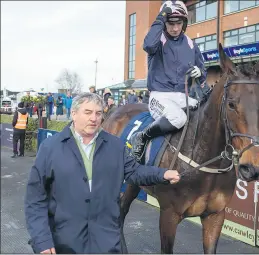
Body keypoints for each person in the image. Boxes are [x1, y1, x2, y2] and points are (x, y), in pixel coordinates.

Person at [24, 92, 180, 254]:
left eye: (98, 113)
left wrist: (162, 174)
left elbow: (134, 171)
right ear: (74, 114)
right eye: (88, 112)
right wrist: (41, 239)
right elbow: (35, 198)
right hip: (65, 242)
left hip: (107, 241)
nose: (94, 118)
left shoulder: (115, 145)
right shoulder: (50, 147)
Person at [130, 0, 207, 160]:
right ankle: (142, 137)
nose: (175, 28)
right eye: (170, 23)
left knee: (205, 114)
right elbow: (148, 45)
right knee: (179, 118)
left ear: (184, 23)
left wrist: (199, 73)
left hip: (182, 97)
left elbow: (203, 72)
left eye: (178, 23)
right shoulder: (158, 41)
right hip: (159, 96)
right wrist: (161, 16)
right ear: (164, 23)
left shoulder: (191, 44)